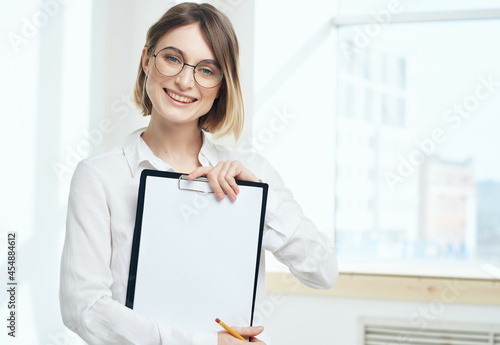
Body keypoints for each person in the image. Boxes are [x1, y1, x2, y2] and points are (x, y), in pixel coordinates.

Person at [59, 2, 338, 345]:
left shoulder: (254, 172)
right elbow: (83, 308)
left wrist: (259, 203)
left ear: (221, 85)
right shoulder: (99, 177)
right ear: (147, 59)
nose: (184, 80)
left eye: (206, 70)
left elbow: (323, 271)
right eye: (173, 58)